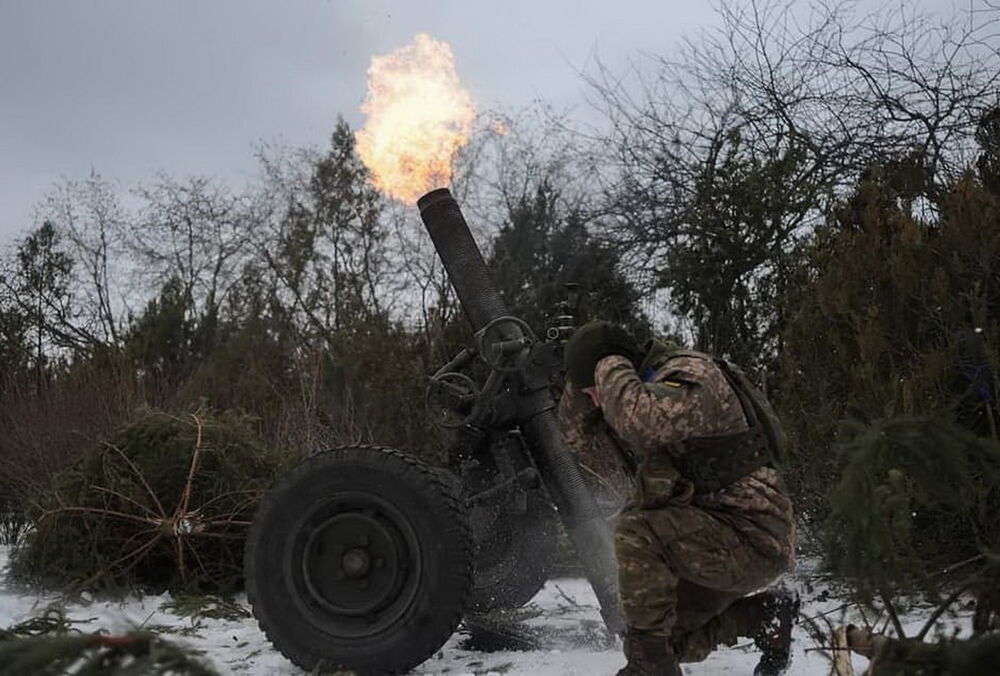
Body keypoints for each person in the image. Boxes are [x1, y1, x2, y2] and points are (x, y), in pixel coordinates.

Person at [559, 321, 798, 675]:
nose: (597, 400)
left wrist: (606, 363)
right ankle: (762, 616)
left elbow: (641, 423)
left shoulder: (692, 375)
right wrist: (579, 384)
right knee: (659, 640)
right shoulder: (644, 389)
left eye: (597, 390)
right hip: (711, 537)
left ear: (619, 368)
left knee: (637, 529)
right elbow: (577, 441)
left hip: (753, 538)